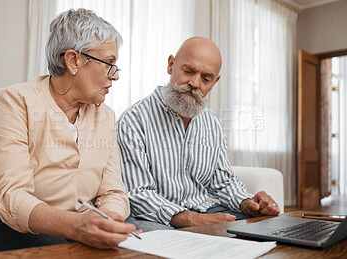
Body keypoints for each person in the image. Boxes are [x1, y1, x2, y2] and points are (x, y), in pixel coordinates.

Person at [0, 8, 137, 256]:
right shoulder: (15, 101)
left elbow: (113, 191)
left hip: (67, 229)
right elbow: (12, 197)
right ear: (74, 61)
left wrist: (110, 219)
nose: (115, 76)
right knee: (63, 248)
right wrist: (77, 226)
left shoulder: (105, 116)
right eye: (109, 63)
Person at [117, 36, 280, 232]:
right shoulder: (134, 120)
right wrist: (189, 219)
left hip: (204, 209)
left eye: (206, 78)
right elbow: (137, 194)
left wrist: (248, 203)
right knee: (180, 244)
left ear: (215, 82)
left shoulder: (212, 123)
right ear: (170, 65)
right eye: (188, 71)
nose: (194, 83)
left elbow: (223, 181)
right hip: (156, 218)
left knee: (265, 228)